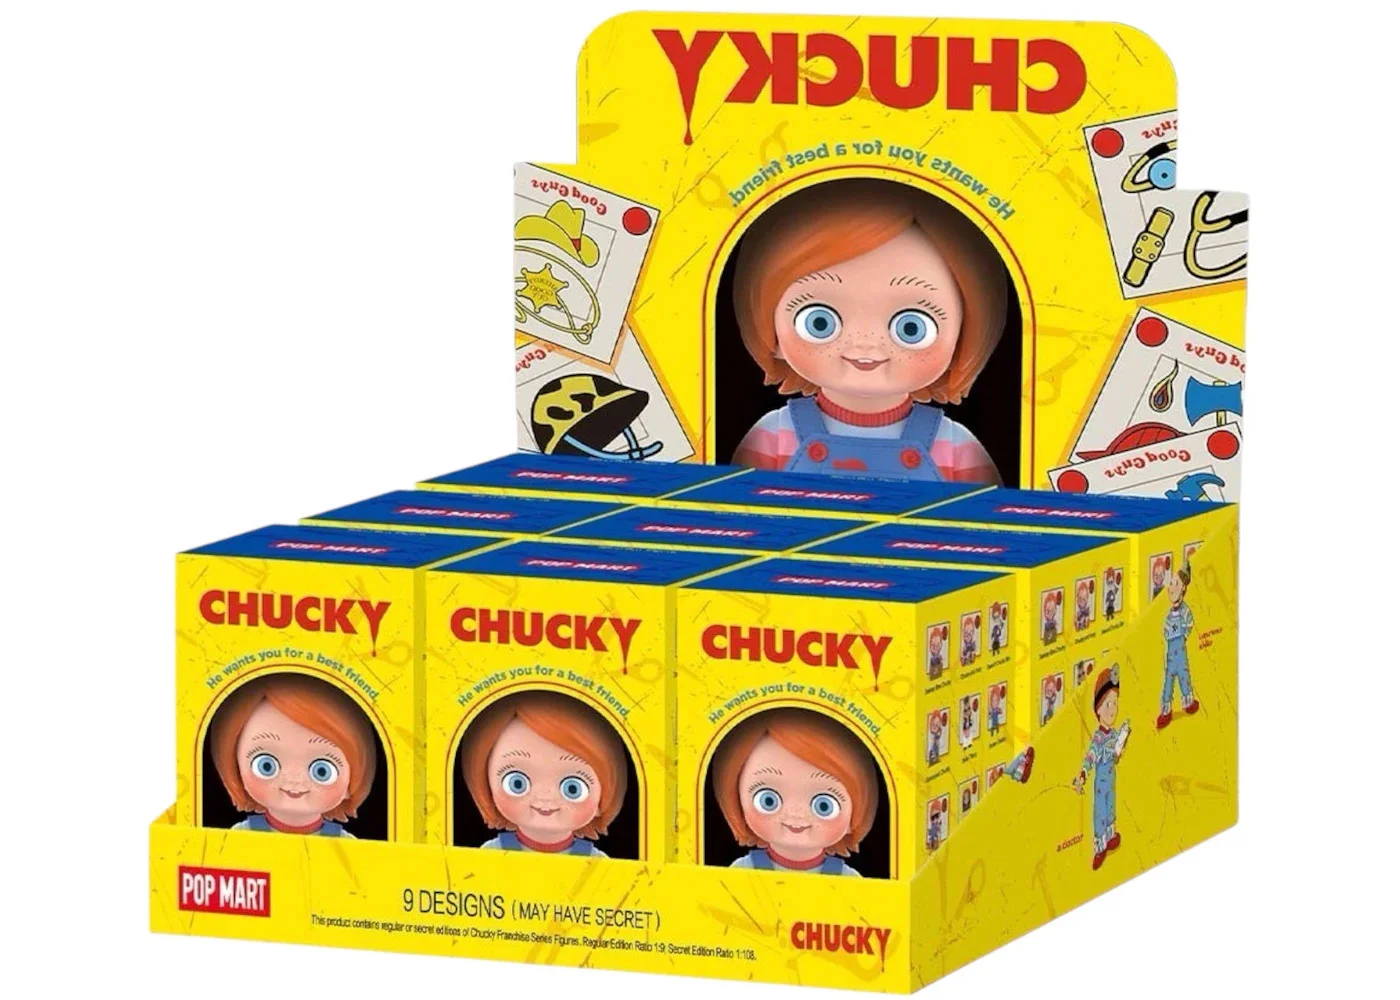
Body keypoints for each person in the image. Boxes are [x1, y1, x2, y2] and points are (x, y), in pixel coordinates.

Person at [731, 179, 1007, 483]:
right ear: (771, 330)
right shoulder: (774, 436)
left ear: (963, 339)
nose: (864, 345)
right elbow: (731, 504)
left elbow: (988, 511)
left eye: (912, 327)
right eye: (819, 322)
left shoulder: (954, 446)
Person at [712, 708, 878, 876]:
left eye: (824, 805)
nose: (796, 814)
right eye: (768, 800)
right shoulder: (743, 870)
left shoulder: (848, 879)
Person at [461, 690, 628, 856]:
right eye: (517, 783)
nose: (545, 797)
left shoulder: (597, 861)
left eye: (573, 788)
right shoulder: (492, 853)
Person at [210, 673, 376, 837]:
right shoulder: (241, 836)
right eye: (266, 765)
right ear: (236, 769)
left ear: (352, 782)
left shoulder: (345, 844)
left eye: (322, 771)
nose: (294, 779)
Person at [1074, 667, 1131, 870]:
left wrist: (1121, 745)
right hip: (1100, 785)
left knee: (1111, 808)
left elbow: (1115, 754)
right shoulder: (1098, 738)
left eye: (1115, 702)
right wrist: (1082, 775)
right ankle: (1100, 846)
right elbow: (1090, 757)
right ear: (1098, 710)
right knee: (1100, 813)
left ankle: (1110, 835)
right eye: (1108, 704)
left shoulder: (1114, 734)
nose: (1113, 709)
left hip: (1111, 782)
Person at [1157, 565, 1200, 728]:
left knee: (1184, 676)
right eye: (1171, 583)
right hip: (1170, 653)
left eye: (1175, 583)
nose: (1171, 588)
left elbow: (1189, 624)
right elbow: (1165, 630)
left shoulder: (1185, 611)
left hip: (1180, 650)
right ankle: (1166, 711)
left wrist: (1184, 636)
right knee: (1168, 681)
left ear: (1183, 588)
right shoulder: (1169, 614)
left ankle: (1188, 702)